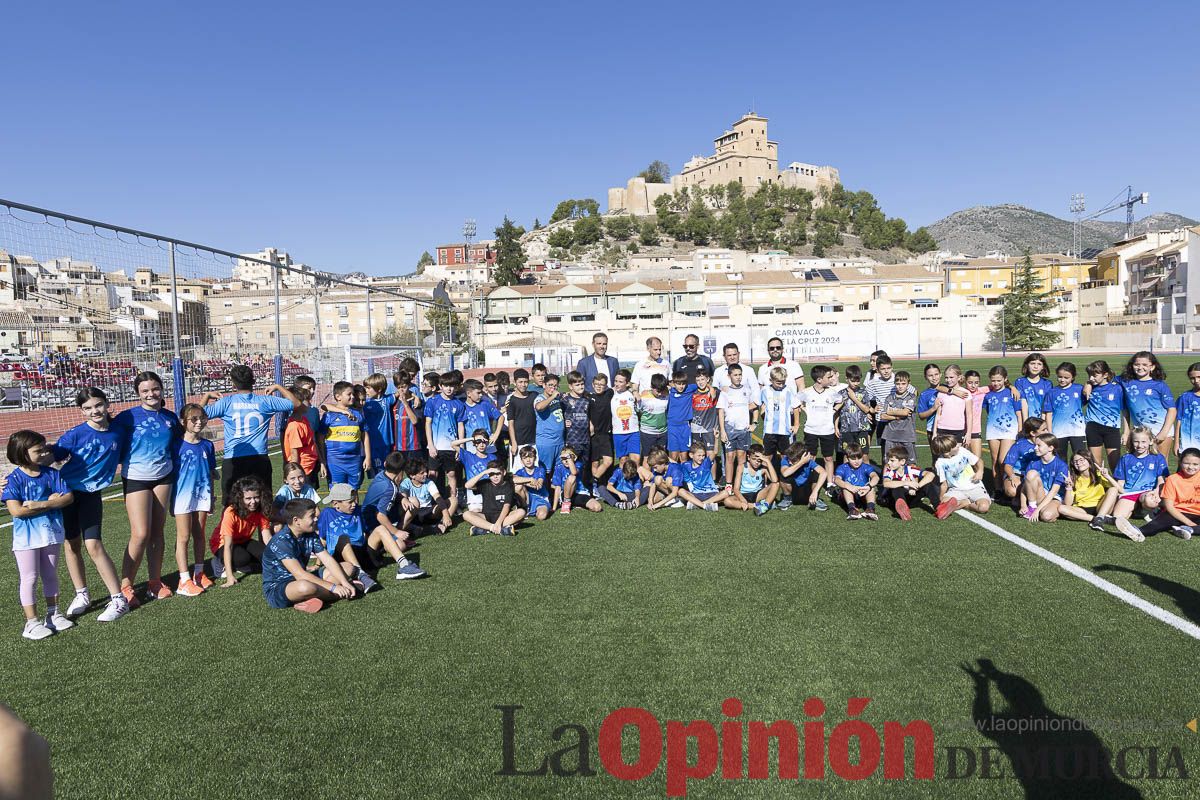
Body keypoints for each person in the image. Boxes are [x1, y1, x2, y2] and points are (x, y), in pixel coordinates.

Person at [51, 388, 127, 622]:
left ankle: (119, 599)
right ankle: (81, 594)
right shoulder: (74, 435)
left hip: (91, 494)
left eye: (98, 405)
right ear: (81, 410)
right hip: (67, 494)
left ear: (106, 404)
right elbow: (49, 457)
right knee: (71, 544)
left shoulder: (119, 432)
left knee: (93, 545)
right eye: (88, 408)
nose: (94, 411)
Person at [114, 371, 180, 606]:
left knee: (157, 533)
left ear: (161, 389)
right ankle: (125, 586)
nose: (151, 394)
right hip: (136, 478)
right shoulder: (126, 418)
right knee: (140, 533)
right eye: (145, 391)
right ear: (138, 394)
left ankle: (154, 582)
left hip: (163, 477)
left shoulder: (170, 418)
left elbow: (180, 444)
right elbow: (106, 439)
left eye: (155, 389)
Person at [3, 430, 73, 640]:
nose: (44, 453)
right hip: (27, 539)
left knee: (50, 575)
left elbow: (68, 498)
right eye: (38, 450)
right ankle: (31, 622)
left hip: (51, 533)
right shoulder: (13, 479)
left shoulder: (52, 473)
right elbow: (17, 511)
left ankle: (53, 614)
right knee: (30, 578)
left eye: (43, 449)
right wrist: (51, 503)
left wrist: (40, 504)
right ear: (22, 453)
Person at [201, 364, 298, 505]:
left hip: (233, 460)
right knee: (263, 504)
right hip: (259, 459)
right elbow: (295, 403)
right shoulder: (265, 401)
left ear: (233, 384)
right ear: (253, 381)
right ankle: (264, 528)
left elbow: (199, 415)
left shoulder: (226, 402)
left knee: (231, 506)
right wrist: (278, 387)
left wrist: (206, 396)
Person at [261, 498, 356, 613]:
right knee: (306, 587)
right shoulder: (282, 541)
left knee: (348, 567)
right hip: (280, 587)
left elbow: (327, 560)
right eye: (312, 516)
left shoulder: (310, 533)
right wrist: (334, 587)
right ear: (296, 520)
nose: (316, 519)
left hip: (304, 578)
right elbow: (299, 574)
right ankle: (337, 594)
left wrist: (344, 582)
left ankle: (311, 598)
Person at [172, 404, 218, 597]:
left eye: (202, 418)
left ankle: (199, 573)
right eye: (194, 419)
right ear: (184, 422)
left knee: (199, 535)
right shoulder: (175, 445)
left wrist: (212, 497)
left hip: (203, 495)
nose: (199, 422)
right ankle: (184, 580)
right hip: (182, 497)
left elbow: (211, 472)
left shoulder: (207, 445)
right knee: (183, 537)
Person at [359, 455, 425, 578]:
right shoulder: (390, 488)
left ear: (385, 464)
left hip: (368, 520)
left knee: (413, 501)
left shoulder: (381, 475)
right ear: (401, 472)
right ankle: (391, 541)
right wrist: (396, 532)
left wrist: (403, 498)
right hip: (372, 525)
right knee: (401, 545)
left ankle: (399, 534)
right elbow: (380, 515)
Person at [1105, 426, 1169, 543]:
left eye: (1143, 441)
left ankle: (1146, 511)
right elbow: (1121, 483)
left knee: (1149, 500)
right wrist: (1118, 495)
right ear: (1131, 442)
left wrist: (1156, 492)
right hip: (1130, 493)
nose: (1140, 445)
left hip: (1148, 492)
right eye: (1136, 441)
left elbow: (1161, 480)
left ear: (1150, 441)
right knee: (1118, 516)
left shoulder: (1158, 458)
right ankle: (1136, 522)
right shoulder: (1125, 458)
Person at [209, 475, 272, 586]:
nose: (253, 502)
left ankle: (245, 564)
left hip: (243, 541)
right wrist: (229, 577)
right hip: (222, 544)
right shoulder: (230, 512)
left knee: (266, 555)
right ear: (240, 498)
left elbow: (267, 538)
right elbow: (228, 545)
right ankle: (219, 562)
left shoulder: (260, 509)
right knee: (242, 559)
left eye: (256, 497)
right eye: (248, 498)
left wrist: (282, 558)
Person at [1135, 448, 1200, 540]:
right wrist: (1190, 523)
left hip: (1198, 514)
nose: (1190, 467)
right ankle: (1136, 531)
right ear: (1180, 462)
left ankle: (1187, 530)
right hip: (1176, 513)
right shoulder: (1172, 479)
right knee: (1155, 525)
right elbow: (1169, 506)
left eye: (1195, 464)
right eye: (1186, 463)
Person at [1121, 351, 1176, 456]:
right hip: (1139, 432)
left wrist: (1163, 433)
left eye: (1145, 365)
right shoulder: (1125, 382)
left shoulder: (1160, 385)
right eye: (1137, 364)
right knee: (1139, 461)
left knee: (1161, 464)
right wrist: (1089, 384)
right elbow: (1107, 378)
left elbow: (1172, 410)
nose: (1140, 367)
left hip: (1160, 430)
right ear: (1132, 366)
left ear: (1152, 367)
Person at [318, 380, 370, 489]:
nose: (352, 397)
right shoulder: (329, 416)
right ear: (338, 396)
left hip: (355, 460)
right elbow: (320, 439)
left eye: (353, 394)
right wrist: (323, 460)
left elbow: (365, 436)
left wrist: (368, 457)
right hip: (335, 461)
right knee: (337, 493)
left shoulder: (358, 414)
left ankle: (354, 507)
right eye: (349, 394)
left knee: (353, 491)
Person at [425, 371, 465, 501]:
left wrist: (461, 446)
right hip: (435, 446)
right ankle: (432, 501)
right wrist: (430, 445)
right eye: (446, 385)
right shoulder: (432, 402)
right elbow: (428, 424)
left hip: (451, 447)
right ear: (440, 386)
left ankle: (453, 500)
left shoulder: (458, 404)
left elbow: (460, 426)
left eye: (452, 386)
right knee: (432, 474)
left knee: (452, 474)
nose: (449, 388)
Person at [716, 364, 756, 493]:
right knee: (729, 457)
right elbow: (721, 412)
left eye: (740, 375)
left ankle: (741, 484)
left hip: (743, 430)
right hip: (729, 429)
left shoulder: (747, 390)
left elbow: (754, 406)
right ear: (729, 376)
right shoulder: (725, 392)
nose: (738, 377)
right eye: (735, 375)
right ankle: (729, 485)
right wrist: (722, 430)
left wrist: (754, 423)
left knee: (742, 457)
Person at [932, 433, 991, 518]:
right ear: (947, 451)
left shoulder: (962, 451)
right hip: (956, 490)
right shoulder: (940, 463)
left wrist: (980, 471)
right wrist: (941, 499)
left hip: (975, 487)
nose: (958, 445)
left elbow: (979, 461)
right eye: (955, 445)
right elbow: (944, 484)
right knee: (941, 506)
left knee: (983, 507)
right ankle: (964, 502)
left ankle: (965, 504)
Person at [799, 364, 840, 487]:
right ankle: (811, 480)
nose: (831, 379)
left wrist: (833, 410)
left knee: (828, 458)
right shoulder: (806, 392)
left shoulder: (832, 392)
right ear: (819, 380)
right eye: (829, 377)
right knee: (811, 456)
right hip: (811, 430)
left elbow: (840, 401)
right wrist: (805, 410)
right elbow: (797, 402)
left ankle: (829, 483)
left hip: (827, 431)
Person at [757, 367, 801, 474]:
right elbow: (758, 405)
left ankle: (784, 477)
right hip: (769, 430)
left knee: (785, 456)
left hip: (785, 430)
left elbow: (796, 407)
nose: (781, 385)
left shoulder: (789, 390)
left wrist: (796, 425)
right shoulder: (764, 390)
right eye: (778, 383)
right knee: (767, 456)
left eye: (783, 382)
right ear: (771, 380)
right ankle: (766, 479)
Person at [1056, 452, 1117, 528]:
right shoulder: (1073, 478)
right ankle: (1097, 519)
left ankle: (1100, 516)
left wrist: (1107, 476)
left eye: (1081, 460)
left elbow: (1120, 490)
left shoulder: (1099, 474)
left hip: (1100, 506)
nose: (1078, 463)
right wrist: (1069, 487)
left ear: (1089, 460)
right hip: (1081, 509)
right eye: (1075, 461)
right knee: (1061, 508)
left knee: (1113, 489)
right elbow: (1068, 504)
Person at [1083, 359, 1124, 471]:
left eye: (1095, 375)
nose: (1091, 378)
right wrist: (1087, 385)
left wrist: (1126, 431)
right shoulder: (1090, 388)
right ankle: (1100, 486)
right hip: (1093, 427)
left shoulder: (1117, 388)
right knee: (1096, 463)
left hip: (1112, 428)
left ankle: (1118, 486)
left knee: (1115, 463)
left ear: (1105, 375)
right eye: (1089, 375)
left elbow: (1125, 410)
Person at [464, 461, 525, 536]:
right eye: (492, 474)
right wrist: (483, 473)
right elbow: (467, 486)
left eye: (498, 474)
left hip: (504, 517)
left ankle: (484, 528)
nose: (495, 477)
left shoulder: (508, 486)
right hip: (486, 516)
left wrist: (499, 522)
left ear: (504, 472)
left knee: (521, 512)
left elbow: (507, 506)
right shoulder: (485, 484)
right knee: (466, 514)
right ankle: (498, 529)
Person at [880, 446, 940, 520]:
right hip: (893, 501)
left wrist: (917, 486)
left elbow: (931, 474)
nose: (888, 463)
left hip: (909, 498)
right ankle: (902, 508)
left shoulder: (910, 469)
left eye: (892, 460)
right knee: (896, 486)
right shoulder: (890, 471)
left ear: (902, 461)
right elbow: (886, 483)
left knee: (927, 484)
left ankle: (939, 508)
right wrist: (907, 483)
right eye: (889, 460)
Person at [1019, 434, 1069, 522]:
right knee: (1031, 473)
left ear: (1050, 448)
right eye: (1035, 445)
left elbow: (1053, 492)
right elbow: (1024, 486)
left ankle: (1047, 510)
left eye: (1039, 445)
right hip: (1040, 496)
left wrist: (1038, 511)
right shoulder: (1033, 464)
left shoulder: (1061, 466)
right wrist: (1023, 505)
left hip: (1054, 498)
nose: (1035, 448)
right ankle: (1032, 507)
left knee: (1046, 516)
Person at [1042, 362, 1086, 459]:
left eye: (1066, 378)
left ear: (1073, 377)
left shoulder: (1079, 389)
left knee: (1081, 457)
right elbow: (1048, 414)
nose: (1062, 380)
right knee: (1060, 458)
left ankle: (1080, 475)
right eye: (1060, 377)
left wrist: (1088, 385)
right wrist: (1050, 432)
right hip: (1058, 431)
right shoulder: (1051, 392)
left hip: (1077, 430)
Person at [399, 456, 453, 534]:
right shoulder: (406, 483)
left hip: (428, 512)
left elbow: (438, 497)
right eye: (422, 473)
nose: (426, 474)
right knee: (408, 501)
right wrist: (405, 500)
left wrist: (445, 514)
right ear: (412, 475)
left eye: (425, 471)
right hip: (413, 514)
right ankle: (409, 528)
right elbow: (403, 496)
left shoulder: (429, 482)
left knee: (453, 500)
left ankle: (442, 524)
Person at [283, 385, 323, 488]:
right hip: (303, 470)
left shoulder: (304, 420)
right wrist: (296, 474)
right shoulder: (294, 426)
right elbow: (294, 453)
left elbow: (312, 442)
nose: (308, 404)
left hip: (311, 466)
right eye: (306, 401)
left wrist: (321, 461)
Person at [724, 444, 778, 515]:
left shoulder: (763, 468)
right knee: (727, 501)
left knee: (776, 484)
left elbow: (775, 481)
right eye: (754, 459)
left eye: (759, 460)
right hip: (744, 494)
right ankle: (756, 505)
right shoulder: (741, 467)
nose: (756, 462)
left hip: (758, 494)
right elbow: (736, 489)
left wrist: (767, 461)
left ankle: (765, 506)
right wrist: (743, 500)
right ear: (748, 457)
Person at [674, 442, 728, 511]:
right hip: (696, 494)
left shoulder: (706, 463)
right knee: (681, 491)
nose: (701, 458)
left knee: (725, 493)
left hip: (711, 493)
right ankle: (705, 506)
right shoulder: (686, 465)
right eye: (699, 455)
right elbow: (686, 479)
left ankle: (699, 504)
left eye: (703, 455)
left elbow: (715, 452)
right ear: (691, 455)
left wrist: (717, 439)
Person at [1000, 417, 1044, 502]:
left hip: (1036, 475)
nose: (1047, 431)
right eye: (1044, 429)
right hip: (1018, 474)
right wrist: (1013, 477)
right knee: (1012, 491)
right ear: (1033, 433)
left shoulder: (1046, 444)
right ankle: (1017, 496)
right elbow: (1007, 465)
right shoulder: (1019, 445)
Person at [878, 370, 918, 463]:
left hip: (906, 435)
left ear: (908, 384)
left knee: (910, 463)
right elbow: (883, 416)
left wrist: (890, 411)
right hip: (890, 435)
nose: (900, 386)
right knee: (888, 462)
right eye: (898, 383)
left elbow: (905, 412)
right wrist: (896, 417)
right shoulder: (889, 397)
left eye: (903, 383)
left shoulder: (911, 397)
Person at [835, 365, 874, 460]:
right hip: (846, 429)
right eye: (853, 381)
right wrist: (836, 427)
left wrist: (853, 398)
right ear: (847, 379)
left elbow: (866, 409)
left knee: (864, 454)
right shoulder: (841, 393)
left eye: (858, 381)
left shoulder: (863, 392)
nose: (855, 383)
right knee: (847, 455)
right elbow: (837, 412)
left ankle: (866, 474)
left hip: (861, 428)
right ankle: (846, 474)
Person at [362, 373, 397, 476]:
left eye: (368, 388)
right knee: (378, 473)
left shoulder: (387, 400)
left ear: (379, 389)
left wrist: (414, 396)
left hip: (387, 443)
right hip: (373, 443)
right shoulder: (366, 404)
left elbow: (400, 392)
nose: (366, 391)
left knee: (389, 471)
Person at [551, 446, 603, 514]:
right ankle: (566, 503)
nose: (566, 460)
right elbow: (558, 487)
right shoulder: (558, 467)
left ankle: (574, 504)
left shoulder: (578, 464)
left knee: (597, 507)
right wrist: (554, 508)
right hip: (566, 494)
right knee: (572, 478)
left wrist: (569, 459)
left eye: (569, 457)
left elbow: (574, 471)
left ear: (575, 458)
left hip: (579, 493)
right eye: (564, 458)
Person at [560, 372, 593, 475]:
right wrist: (563, 422)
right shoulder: (564, 399)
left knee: (585, 466)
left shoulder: (587, 399)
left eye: (582, 384)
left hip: (585, 439)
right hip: (572, 440)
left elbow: (590, 415)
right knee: (572, 467)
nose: (581, 386)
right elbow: (557, 414)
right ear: (570, 386)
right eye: (577, 385)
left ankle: (585, 488)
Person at [779, 442, 828, 512]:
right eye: (790, 460)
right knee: (783, 476)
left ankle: (815, 500)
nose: (790, 462)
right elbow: (785, 473)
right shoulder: (786, 459)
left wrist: (815, 492)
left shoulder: (809, 462)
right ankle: (787, 499)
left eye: (793, 461)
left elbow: (824, 473)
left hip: (807, 490)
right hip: (793, 490)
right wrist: (801, 462)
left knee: (817, 474)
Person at [834, 446, 879, 521]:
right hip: (848, 495)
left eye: (859, 458)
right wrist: (848, 486)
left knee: (871, 488)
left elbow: (876, 477)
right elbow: (836, 479)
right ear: (847, 458)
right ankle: (852, 510)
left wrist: (868, 486)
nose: (857, 461)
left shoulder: (866, 467)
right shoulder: (842, 467)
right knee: (846, 488)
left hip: (862, 493)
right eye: (853, 459)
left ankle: (870, 509)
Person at [504, 368, 538, 470]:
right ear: (515, 383)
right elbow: (510, 423)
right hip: (518, 442)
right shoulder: (512, 401)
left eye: (526, 382)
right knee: (517, 471)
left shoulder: (534, 396)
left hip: (533, 440)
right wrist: (513, 443)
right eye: (520, 382)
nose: (523, 385)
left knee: (534, 469)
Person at [587, 373, 615, 492]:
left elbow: (621, 387)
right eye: (597, 384)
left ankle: (593, 480)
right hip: (593, 435)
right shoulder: (588, 397)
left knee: (608, 461)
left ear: (606, 386)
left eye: (602, 384)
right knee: (595, 463)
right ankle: (597, 488)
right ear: (593, 384)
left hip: (605, 434)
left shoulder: (609, 394)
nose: (599, 386)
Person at [863, 354, 896, 452]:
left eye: (888, 368)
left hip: (897, 420)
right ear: (877, 369)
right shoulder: (873, 383)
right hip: (881, 420)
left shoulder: (897, 380)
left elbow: (913, 392)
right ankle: (884, 467)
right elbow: (864, 398)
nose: (886, 371)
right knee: (885, 451)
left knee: (898, 450)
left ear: (892, 367)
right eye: (883, 369)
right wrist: (869, 410)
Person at [462, 378, 503, 453]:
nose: (481, 395)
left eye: (481, 393)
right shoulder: (462, 407)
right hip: (472, 448)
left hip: (489, 447)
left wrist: (496, 434)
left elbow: (500, 417)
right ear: (468, 393)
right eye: (478, 393)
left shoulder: (485, 404)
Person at [932, 365, 971, 444]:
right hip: (942, 429)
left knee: (957, 455)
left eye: (951, 377)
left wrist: (968, 433)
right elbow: (938, 414)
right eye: (946, 377)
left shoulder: (966, 393)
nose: (948, 380)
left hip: (958, 430)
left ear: (959, 377)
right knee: (943, 456)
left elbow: (969, 415)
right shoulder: (941, 393)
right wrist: (934, 432)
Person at [666, 371, 699, 463]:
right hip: (672, 427)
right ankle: (673, 476)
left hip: (685, 426)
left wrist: (711, 388)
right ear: (673, 383)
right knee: (673, 456)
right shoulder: (669, 391)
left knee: (684, 456)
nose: (681, 386)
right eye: (678, 384)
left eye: (683, 384)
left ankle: (684, 476)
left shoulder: (689, 389)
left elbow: (702, 384)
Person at [610, 369, 641, 464]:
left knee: (635, 459)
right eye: (615, 381)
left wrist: (634, 391)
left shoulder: (632, 394)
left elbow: (640, 410)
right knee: (623, 460)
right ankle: (623, 479)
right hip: (618, 432)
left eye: (620, 382)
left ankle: (636, 478)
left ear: (627, 383)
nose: (617, 384)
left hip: (633, 431)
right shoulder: (611, 394)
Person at [513, 445, 552, 520]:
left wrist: (523, 482)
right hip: (527, 498)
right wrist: (530, 479)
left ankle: (542, 509)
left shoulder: (540, 470)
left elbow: (539, 486)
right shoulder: (520, 472)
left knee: (541, 516)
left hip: (540, 498)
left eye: (530, 457)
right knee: (518, 486)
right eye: (525, 458)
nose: (528, 460)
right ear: (521, 460)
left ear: (535, 458)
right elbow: (513, 479)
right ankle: (525, 508)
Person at [637, 373, 670, 455]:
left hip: (663, 432)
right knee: (647, 457)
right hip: (647, 433)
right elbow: (638, 412)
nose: (659, 394)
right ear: (652, 387)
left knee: (661, 456)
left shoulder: (666, 395)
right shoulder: (643, 396)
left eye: (661, 391)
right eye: (658, 391)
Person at [1014, 353, 1051, 422]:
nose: (1035, 367)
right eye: (1032, 363)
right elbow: (1023, 402)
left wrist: (1042, 423)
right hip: (1026, 420)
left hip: (1042, 421)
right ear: (1027, 365)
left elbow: (1046, 405)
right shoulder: (1020, 382)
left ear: (1043, 367)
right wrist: (1026, 423)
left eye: (1039, 364)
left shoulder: (1047, 383)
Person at [1174, 362, 1200, 455]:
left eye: (1199, 377)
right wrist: (1176, 443)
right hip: (1188, 442)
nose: (1196, 381)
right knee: (1186, 467)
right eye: (1192, 378)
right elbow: (1179, 420)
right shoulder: (1184, 397)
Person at [917, 363, 942, 459]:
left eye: (936, 374)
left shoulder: (949, 389)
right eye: (930, 375)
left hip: (949, 428)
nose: (934, 378)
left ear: (940, 374)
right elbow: (921, 415)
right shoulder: (924, 394)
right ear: (925, 377)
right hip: (932, 430)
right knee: (936, 458)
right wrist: (933, 409)